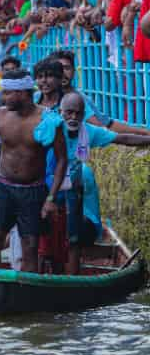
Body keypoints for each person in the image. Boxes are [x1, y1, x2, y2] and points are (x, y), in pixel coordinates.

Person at [0, 70, 68, 273]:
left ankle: (27, 294)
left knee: (30, 246)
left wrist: (51, 198)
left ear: (23, 93)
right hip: (3, 186)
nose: (3, 98)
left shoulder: (48, 119)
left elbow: (62, 160)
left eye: (7, 93)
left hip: (33, 190)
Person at [45, 92, 150, 275]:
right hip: (47, 191)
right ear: (60, 112)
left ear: (83, 114)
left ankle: (73, 283)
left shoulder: (89, 131)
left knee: (73, 239)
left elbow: (122, 139)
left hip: (73, 194)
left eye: (78, 113)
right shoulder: (50, 130)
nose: (73, 117)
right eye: (69, 113)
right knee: (44, 242)